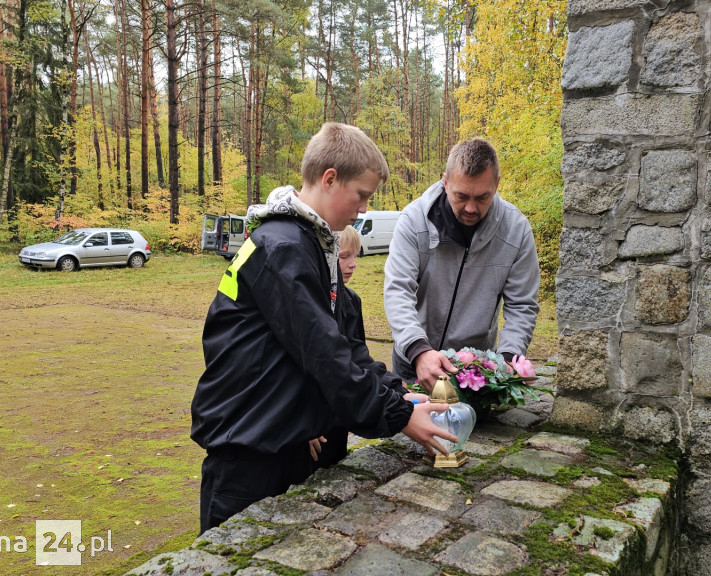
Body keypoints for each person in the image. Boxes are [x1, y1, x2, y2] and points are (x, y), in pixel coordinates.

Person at [191, 122, 456, 535]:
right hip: (248, 452)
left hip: (279, 440)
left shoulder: (312, 246)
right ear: (330, 179)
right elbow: (323, 354)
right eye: (362, 195)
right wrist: (400, 415)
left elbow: (346, 350)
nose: (365, 209)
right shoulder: (283, 247)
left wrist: (396, 391)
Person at [384, 138, 540, 390]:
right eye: (461, 195)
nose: (470, 207)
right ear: (445, 182)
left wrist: (509, 359)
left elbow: (522, 305)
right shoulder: (413, 222)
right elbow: (398, 291)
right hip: (415, 360)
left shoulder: (517, 231)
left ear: (497, 184)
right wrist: (418, 350)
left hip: (476, 370)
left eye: (482, 197)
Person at [307, 225, 417, 468]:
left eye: (355, 256)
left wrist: (397, 392)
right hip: (309, 420)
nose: (353, 264)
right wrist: (304, 420)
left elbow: (359, 358)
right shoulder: (310, 302)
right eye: (344, 257)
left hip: (341, 413)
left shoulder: (351, 300)